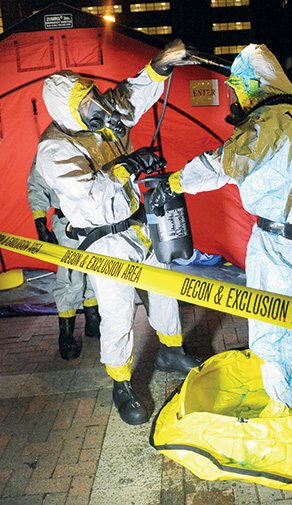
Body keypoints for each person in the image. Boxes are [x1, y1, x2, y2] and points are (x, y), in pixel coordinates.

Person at [150, 43, 292, 413]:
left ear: (255, 84)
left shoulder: (268, 121)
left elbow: (225, 163)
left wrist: (177, 182)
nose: (238, 96)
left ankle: (285, 416)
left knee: (275, 331)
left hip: (279, 244)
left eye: (240, 88)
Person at [34, 39, 201, 425]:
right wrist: (127, 165)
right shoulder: (53, 150)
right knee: (117, 312)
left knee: (164, 291)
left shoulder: (99, 117)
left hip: (137, 228)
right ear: (67, 111)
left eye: (93, 96)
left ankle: (171, 350)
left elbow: (130, 96)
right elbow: (90, 193)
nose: (98, 106)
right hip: (103, 242)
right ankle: (121, 383)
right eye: (87, 103)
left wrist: (160, 64)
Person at [28, 158, 101, 360]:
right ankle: (65, 334)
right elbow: (37, 184)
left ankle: (93, 320)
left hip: (95, 218)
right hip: (67, 220)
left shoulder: (93, 140)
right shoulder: (51, 145)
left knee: (95, 270)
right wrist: (40, 222)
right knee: (71, 277)